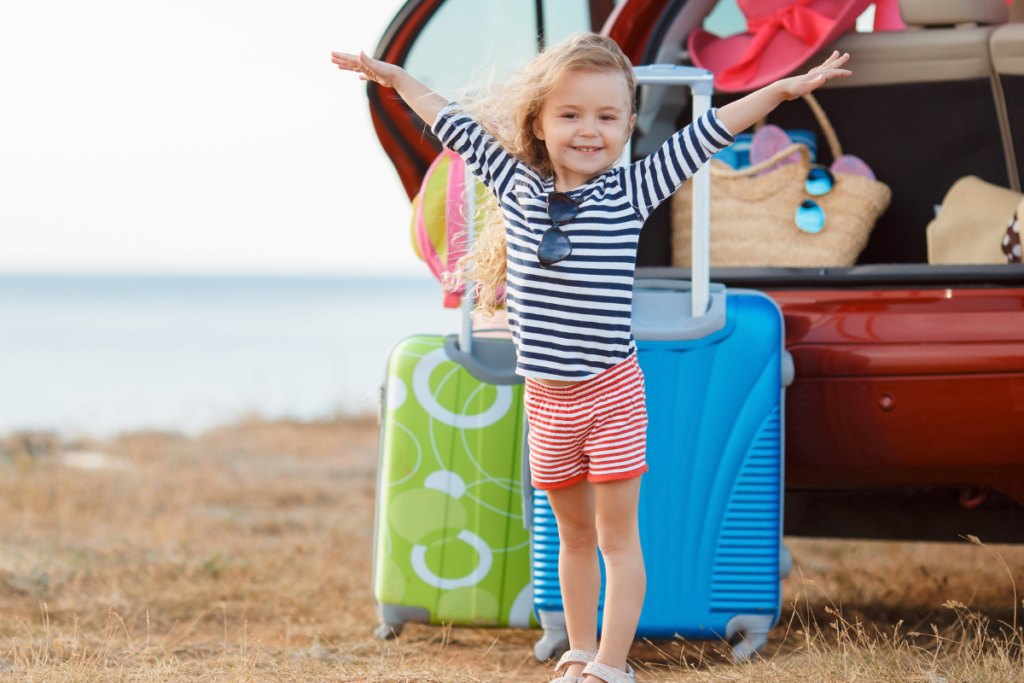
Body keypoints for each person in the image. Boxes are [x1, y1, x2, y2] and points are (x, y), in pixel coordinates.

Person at [332, 34, 850, 683]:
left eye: (607, 117)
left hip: (611, 397)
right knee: (572, 541)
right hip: (548, 404)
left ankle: (613, 662)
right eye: (570, 114)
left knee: (615, 538)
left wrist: (778, 91)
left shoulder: (631, 190)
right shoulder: (512, 182)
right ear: (540, 125)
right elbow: (449, 119)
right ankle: (580, 650)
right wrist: (390, 75)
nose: (589, 130)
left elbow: (709, 131)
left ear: (629, 126)